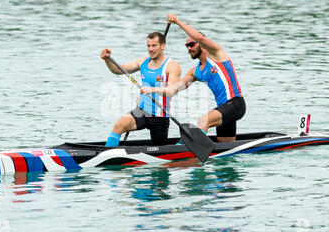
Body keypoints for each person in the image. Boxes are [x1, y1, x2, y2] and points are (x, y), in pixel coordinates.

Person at [141, 14, 246, 142]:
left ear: (201, 44)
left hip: (236, 103)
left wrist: (177, 21)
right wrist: (153, 90)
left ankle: (187, 152)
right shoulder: (194, 72)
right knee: (226, 151)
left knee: (203, 120)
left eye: (191, 44)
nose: (189, 48)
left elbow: (199, 37)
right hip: (224, 108)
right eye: (187, 46)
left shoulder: (216, 54)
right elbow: (174, 89)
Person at [100, 32, 181, 146]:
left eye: (154, 46)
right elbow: (118, 70)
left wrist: (153, 90)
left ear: (163, 45)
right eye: (148, 46)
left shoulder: (172, 66)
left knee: (159, 148)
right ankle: (107, 154)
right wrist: (107, 60)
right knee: (120, 124)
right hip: (141, 110)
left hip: (160, 116)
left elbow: (172, 91)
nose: (150, 49)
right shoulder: (143, 61)